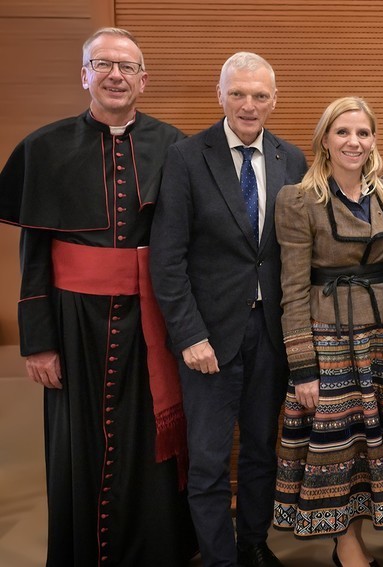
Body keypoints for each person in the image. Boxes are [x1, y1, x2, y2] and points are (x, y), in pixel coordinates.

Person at [0, 27, 196, 566]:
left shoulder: (176, 146)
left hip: (150, 317)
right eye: (103, 64)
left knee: (150, 443)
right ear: (84, 73)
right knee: (76, 442)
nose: (115, 75)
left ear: (143, 80)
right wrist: (38, 343)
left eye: (127, 67)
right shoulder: (44, 148)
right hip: (72, 320)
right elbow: (33, 254)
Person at [150, 52, 307, 567]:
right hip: (208, 341)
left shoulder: (292, 160)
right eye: (238, 93)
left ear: (274, 100)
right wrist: (189, 334)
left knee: (262, 450)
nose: (249, 104)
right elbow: (168, 258)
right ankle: (220, 558)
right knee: (211, 461)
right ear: (220, 95)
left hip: (270, 332)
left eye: (260, 95)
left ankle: (254, 545)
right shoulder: (186, 156)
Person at [271, 96, 383, 567]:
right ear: (324, 139)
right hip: (328, 341)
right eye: (343, 132)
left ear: (374, 140)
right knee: (333, 449)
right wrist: (303, 369)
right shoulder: (298, 199)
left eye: (362, 133)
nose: (353, 142)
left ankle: (350, 546)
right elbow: (293, 289)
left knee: (365, 448)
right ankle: (346, 549)